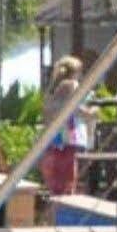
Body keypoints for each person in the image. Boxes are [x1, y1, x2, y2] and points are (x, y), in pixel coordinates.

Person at [40, 57, 94, 196]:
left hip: (54, 135)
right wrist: (91, 113)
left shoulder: (52, 88)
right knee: (69, 173)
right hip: (69, 134)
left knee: (57, 173)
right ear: (76, 72)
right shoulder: (72, 84)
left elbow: (47, 111)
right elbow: (74, 107)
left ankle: (55, 202)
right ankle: (67, 201)